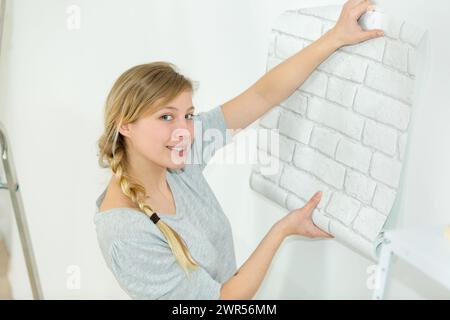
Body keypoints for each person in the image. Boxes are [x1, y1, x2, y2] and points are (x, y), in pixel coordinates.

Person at [94, 0, 384, 300]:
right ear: (125, 126)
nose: (183, 130)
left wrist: (335, 37)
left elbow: (261, 96)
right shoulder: (125, 234)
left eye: (188, 115)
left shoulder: (178, 157)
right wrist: (281, 230)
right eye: (166, 116)